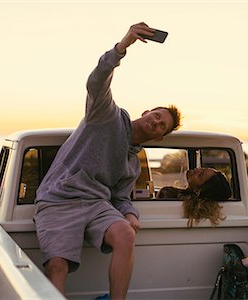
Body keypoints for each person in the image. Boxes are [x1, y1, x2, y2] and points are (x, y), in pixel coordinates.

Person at [33, 22, 181, 299]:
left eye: (162, 125)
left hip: (96, 205)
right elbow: (96, 82)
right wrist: (122, 47)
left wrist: (129, 213)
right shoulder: (107, 115)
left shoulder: (132, 164)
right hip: (57, 200)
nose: (157, 121)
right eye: (157, 115)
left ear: (161, 137)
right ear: (147, 111)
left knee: (126, 234)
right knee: (57, 265)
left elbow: (120, 197)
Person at [156, 167, 232, 227]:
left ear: (198, 191)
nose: (197, 169)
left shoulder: (167, 193)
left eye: (200, 175)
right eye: (202, 168)